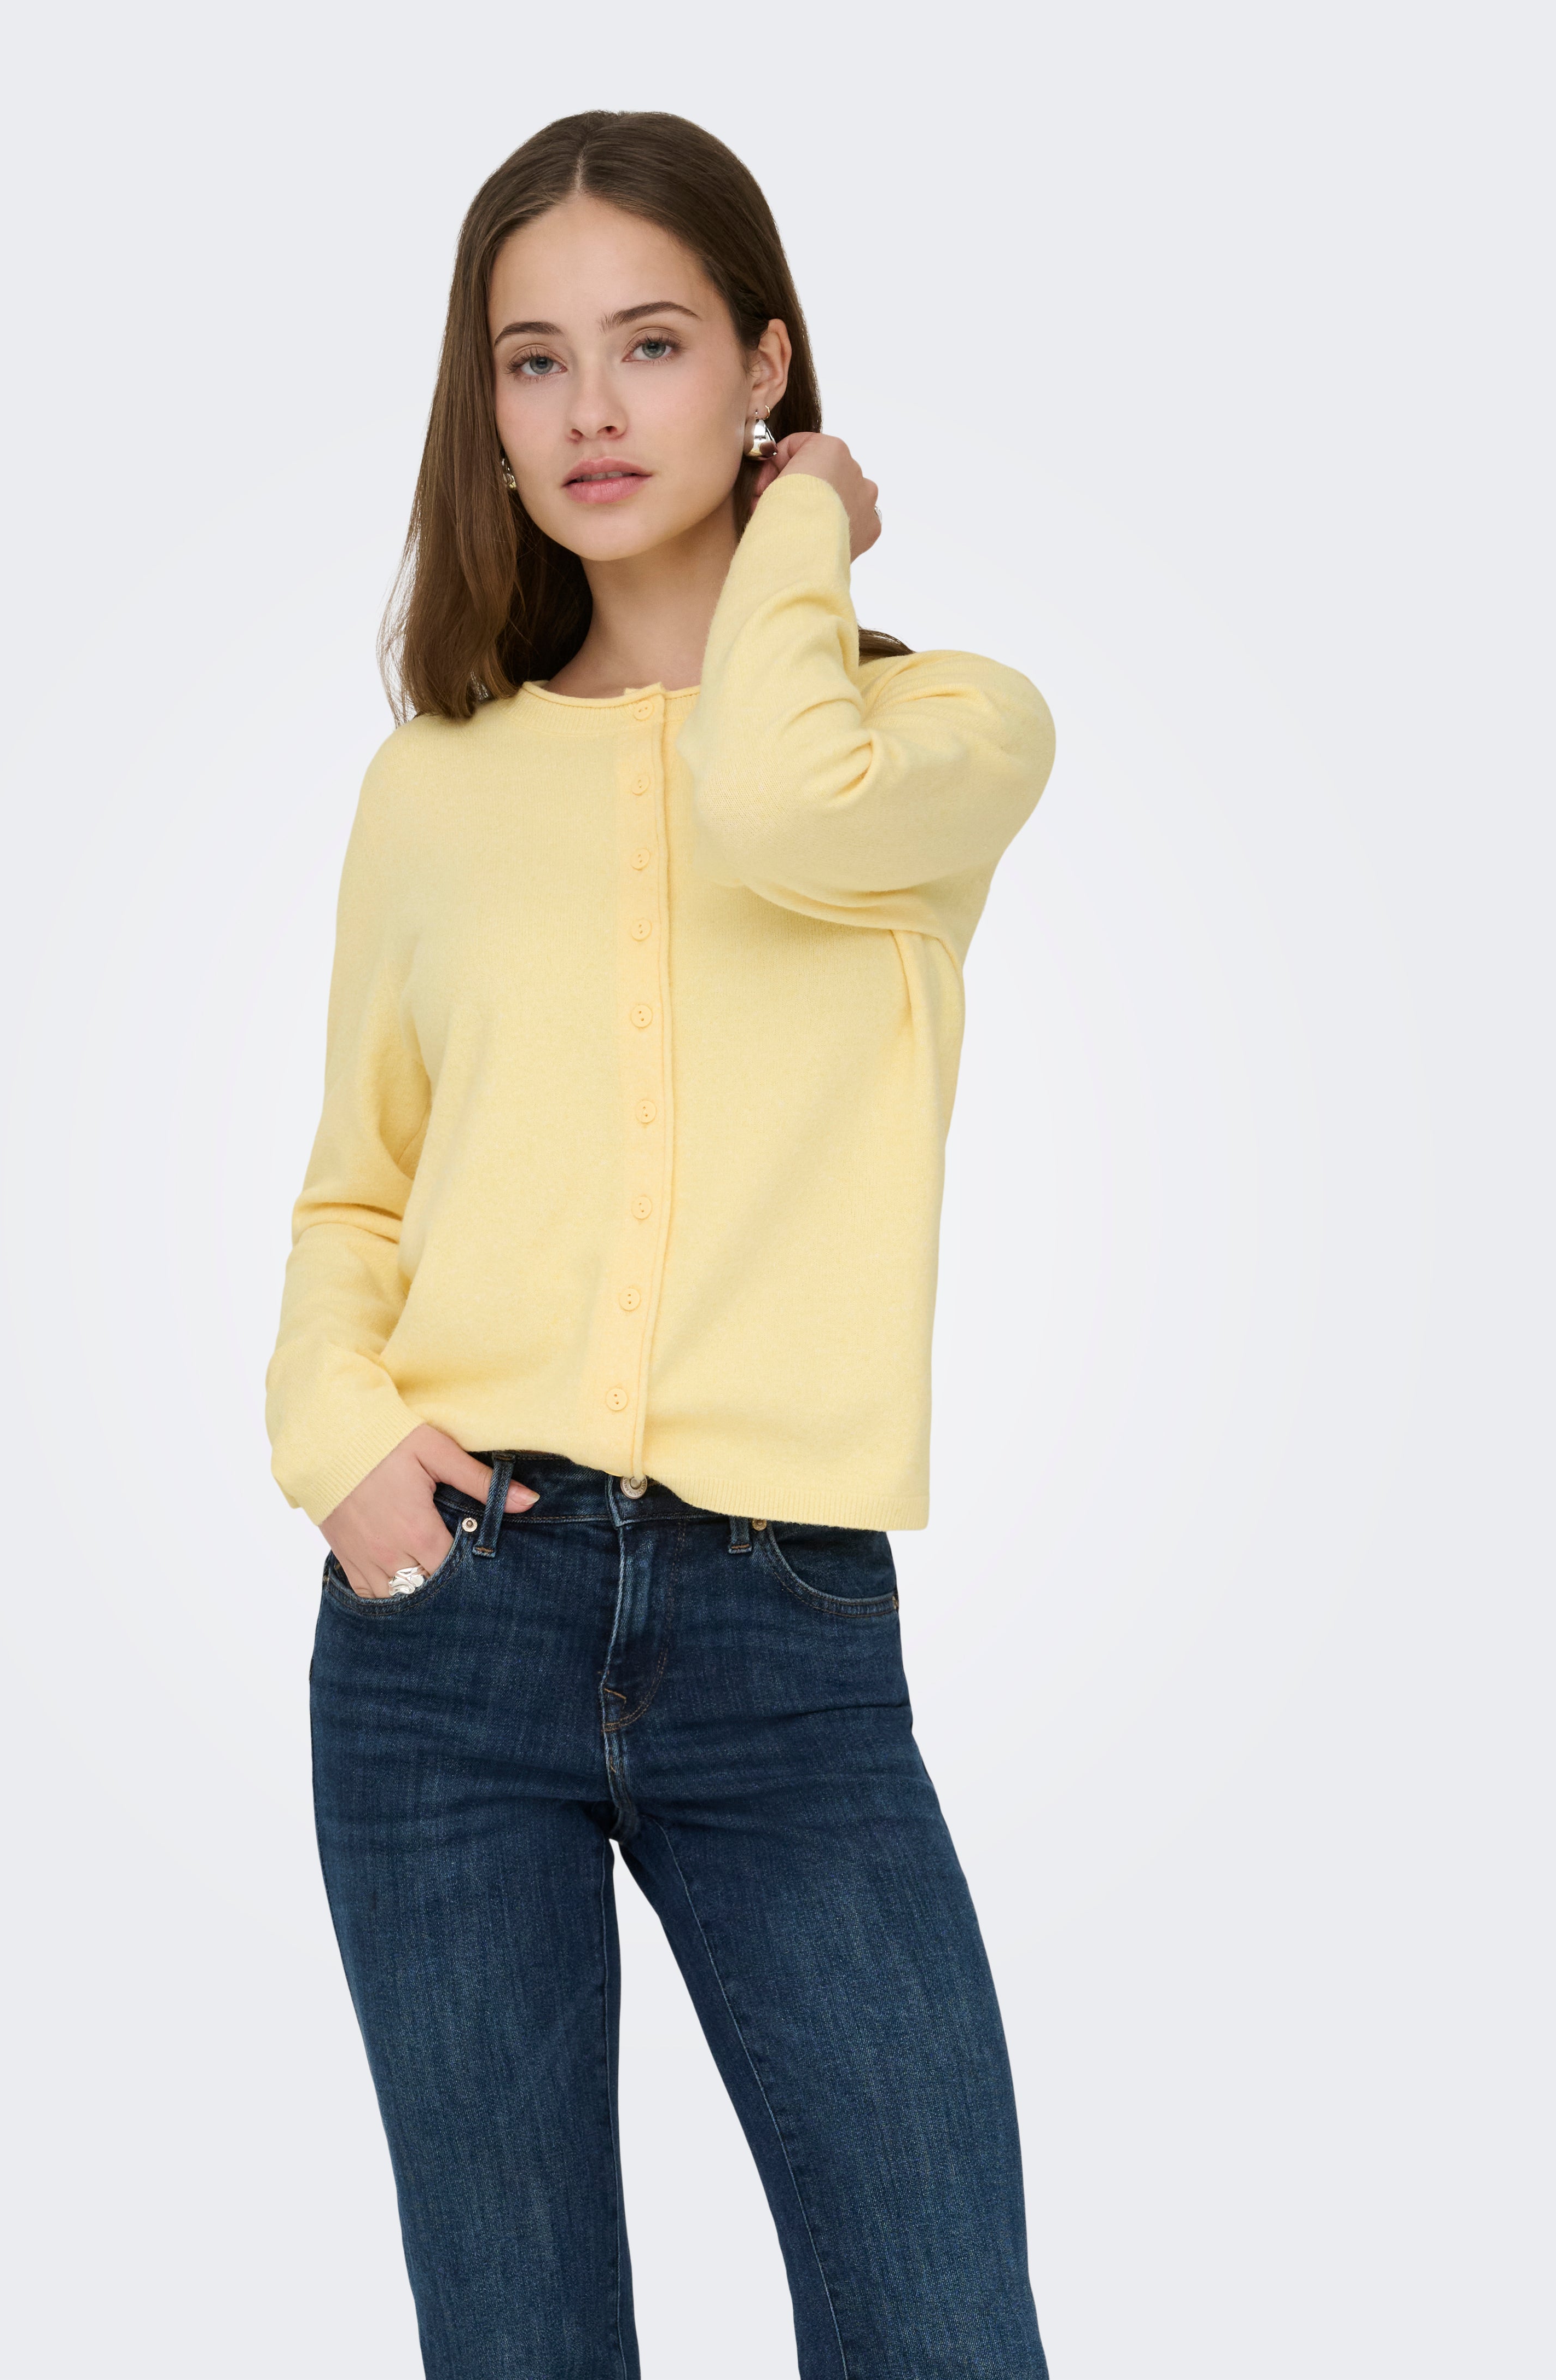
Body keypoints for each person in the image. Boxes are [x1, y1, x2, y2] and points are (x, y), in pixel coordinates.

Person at [266, 108, 1056, 2380]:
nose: (590, 412)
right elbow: (357, 1184)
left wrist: (807, 525)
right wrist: (337, 1441)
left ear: (765, 369)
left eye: (653, 344)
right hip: (450, 1621)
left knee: (939, 2329)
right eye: (533, 361)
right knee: (517, 2342)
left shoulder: (942, 734)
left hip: (783, 1635)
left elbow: (777, 798)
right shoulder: (435, 783)